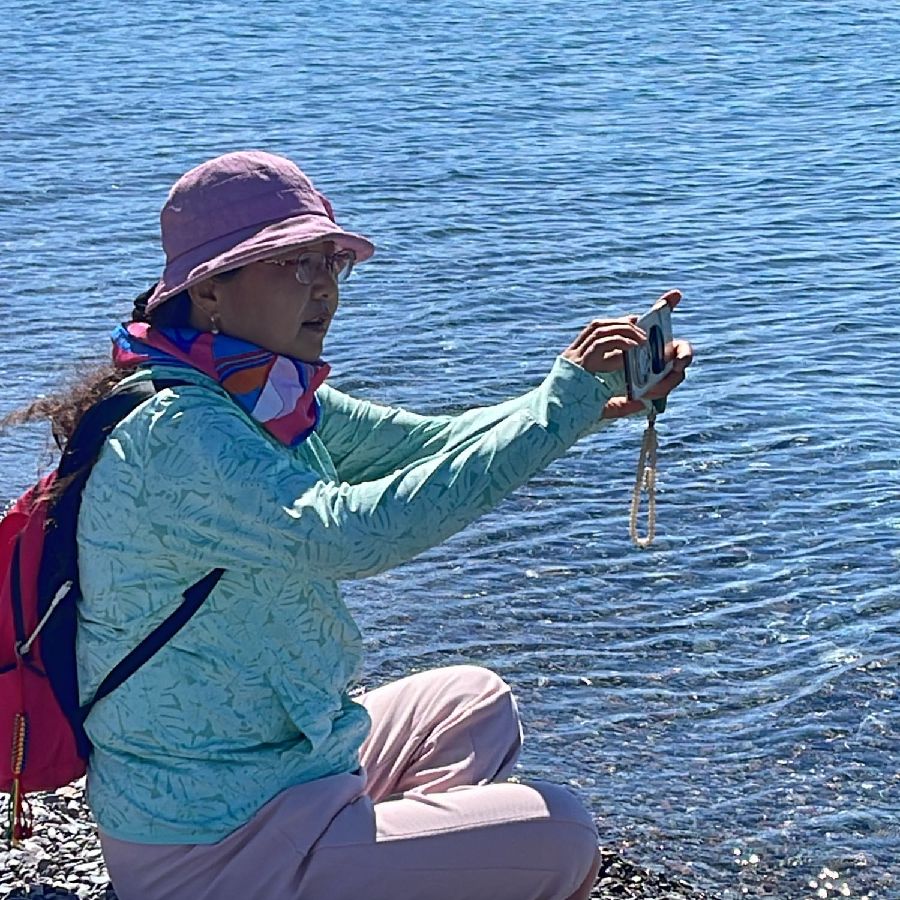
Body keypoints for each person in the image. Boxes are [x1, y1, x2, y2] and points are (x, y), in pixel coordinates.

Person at [4, 150, 692, 900]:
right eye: (293, 264)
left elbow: (428, 444)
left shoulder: (257, 392)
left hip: (290, 775)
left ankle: (365, 867)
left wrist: (583, 405)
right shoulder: (176, 433)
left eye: (331, 262)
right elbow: (354, 533)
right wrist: (559, 405)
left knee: (474, 705)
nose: (325, 287)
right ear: (208, 289)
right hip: (210, 843)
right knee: (564, 834)